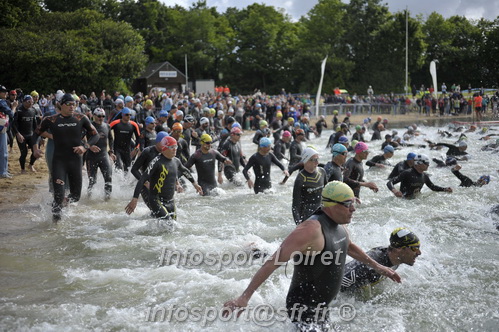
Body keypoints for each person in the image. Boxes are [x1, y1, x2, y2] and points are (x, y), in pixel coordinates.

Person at [223, 181, 400, 330]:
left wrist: (379, 267)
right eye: (348, 204)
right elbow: (273, 262)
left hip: (321, 307)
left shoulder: (339, 225)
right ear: (331, 205)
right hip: (304, 308)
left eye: (353, 202)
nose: (353, 208)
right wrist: (244, 297)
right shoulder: (310, 230)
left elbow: (349, 246)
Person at [33, 93, 99, 222]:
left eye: (74, 104)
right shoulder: (51, 119)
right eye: (69, 104)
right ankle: (55, 225)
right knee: (58, 196)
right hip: (59, 161)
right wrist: (35, 148)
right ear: (61, 105)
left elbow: (95, 135)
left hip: (75, 161)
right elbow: (35, 134)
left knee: (76, 196)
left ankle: (63, 204)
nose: (72, 107)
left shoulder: (81, 118)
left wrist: (85, 147)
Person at [125, 136, 202, 219]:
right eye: (171, 147)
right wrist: (134, 199)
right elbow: (142, 180)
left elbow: (185, 171)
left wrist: (195, 184)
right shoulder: (156, 162)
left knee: (173, 227)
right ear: (164, 148)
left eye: (175, 146)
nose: (175, 149)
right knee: (169, 224)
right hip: (156, 200)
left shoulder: (176, 161)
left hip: (170, 200)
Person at [341, 227, 421, 293]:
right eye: (414, 248)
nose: (419, 253)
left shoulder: (396, 257)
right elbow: (336, 284)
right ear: (399, 248)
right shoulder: (367, 266)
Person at [387, 154, 453, 198]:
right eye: (426, 163)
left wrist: (445, 189)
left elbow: (433, 187)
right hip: (403, 201)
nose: (428, 165)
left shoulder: (424, 176)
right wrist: (395, 191)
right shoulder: (407, 173)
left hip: (415, 201)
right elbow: (390, 182)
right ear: (418, 163)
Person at [291, 147, 327, 224]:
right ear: (306, 160)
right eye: (314, 160)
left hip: (322, 214)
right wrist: (299, 224)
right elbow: (295, 206)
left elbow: (328, 194)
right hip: (307, 217)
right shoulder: (300, 179)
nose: (317, 162)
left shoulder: (322, 172)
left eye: (318, 159)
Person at [85, 108, 114, 200]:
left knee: (108, 178)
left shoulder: (107, 126)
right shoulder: (89, 126)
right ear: (94, 116)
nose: (101, 118)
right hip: (91, 156)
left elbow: (111, 139)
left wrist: (111, 151)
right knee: (92, 181)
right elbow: (80, 139)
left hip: (104, 155)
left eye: (103, 116)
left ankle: (107, 199)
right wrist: (89, 146)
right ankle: (89, 199)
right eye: (99, 116)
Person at [12, 95, 38, 173]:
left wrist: (38, 136)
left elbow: (35, 124)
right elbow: (13, 124)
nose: (30, 103)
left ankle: (31, 165)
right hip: (21, 135)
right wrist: (18, 134)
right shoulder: (18, 110)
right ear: (24, 101)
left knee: (35, 151)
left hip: (30, 134)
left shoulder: (33, 110)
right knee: (24, 153)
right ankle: (22, 169)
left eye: (32, 102)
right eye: (28, 102)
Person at [109, 107, 141, 173]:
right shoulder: (115, 123)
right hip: (117, 148)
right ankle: (118, 182)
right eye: (127, 115)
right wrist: (110, 149)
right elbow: (105, 130)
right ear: (122, 115)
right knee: (119, 167)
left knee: (128, 168)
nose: (128, 116)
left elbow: (139, 138)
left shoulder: (133, 124)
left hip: (127, 149)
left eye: (130, 115)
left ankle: (126, 183)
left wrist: (136, 148)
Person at [0, 85, 17, 178]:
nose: (6, 93)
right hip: (1, 129)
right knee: (4, 151)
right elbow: (11, 114)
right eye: (4, 92)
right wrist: (14, 107)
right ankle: (3, 172)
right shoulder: (1, 102)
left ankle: (3, 170)